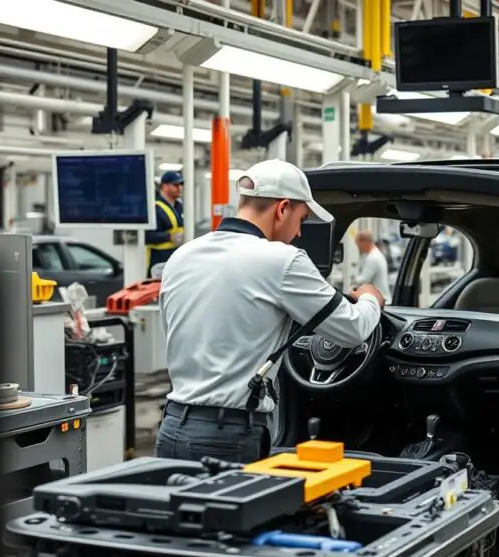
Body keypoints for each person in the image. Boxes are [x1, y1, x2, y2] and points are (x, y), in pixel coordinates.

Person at [155, 159, 386, 464]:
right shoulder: (282, 260)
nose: (299, 233)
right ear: (283, 208)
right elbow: (352, 329)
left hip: (172, 427)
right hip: (228, 436)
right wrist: (371, 299)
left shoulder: (183, 255)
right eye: (302, 219)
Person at [145, 170, 186, 277]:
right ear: (164, 186)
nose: (180, 187)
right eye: (175, 185)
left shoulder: (179, 206)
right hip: (159, 261)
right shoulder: (155, 208)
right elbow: (147, 236)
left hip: (175, 259)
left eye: (181, 184)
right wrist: (169, 237)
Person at [353, 230, 391, 300]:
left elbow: (363, 281)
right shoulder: (376, 254)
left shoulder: (373, 258)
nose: (357, 247)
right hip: (381, 298)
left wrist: (352, 281)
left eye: (357, 243)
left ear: (365, 242)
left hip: (379, 301)